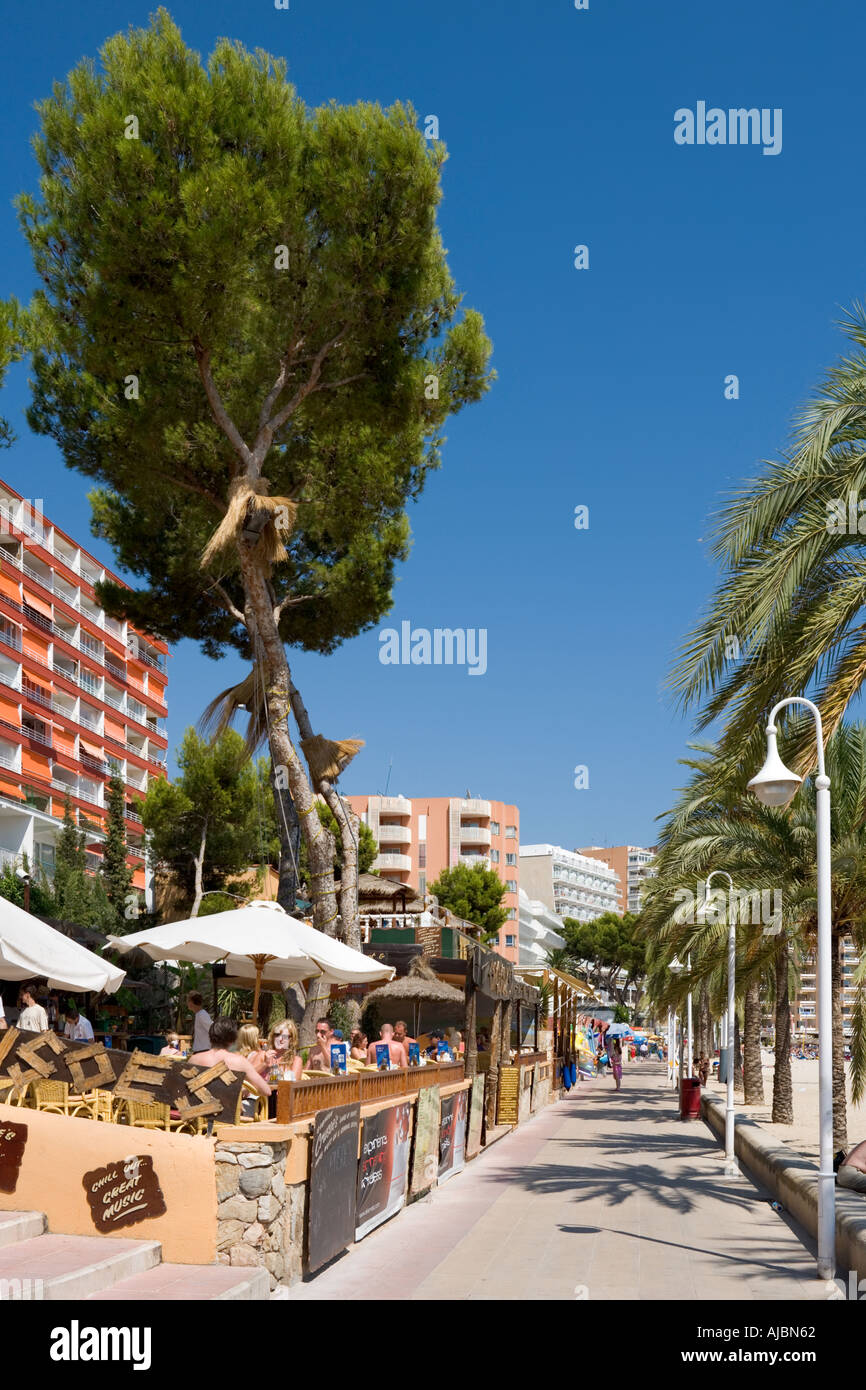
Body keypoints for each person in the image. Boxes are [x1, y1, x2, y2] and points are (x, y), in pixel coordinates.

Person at [190, 1017, 270, 1098]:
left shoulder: (194, 1059)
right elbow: (266, 1091)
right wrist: (247, 1088)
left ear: (210, 1036)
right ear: (233, 1039)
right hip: (229, 1109)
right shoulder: (239, 1061)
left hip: (198, 1108)